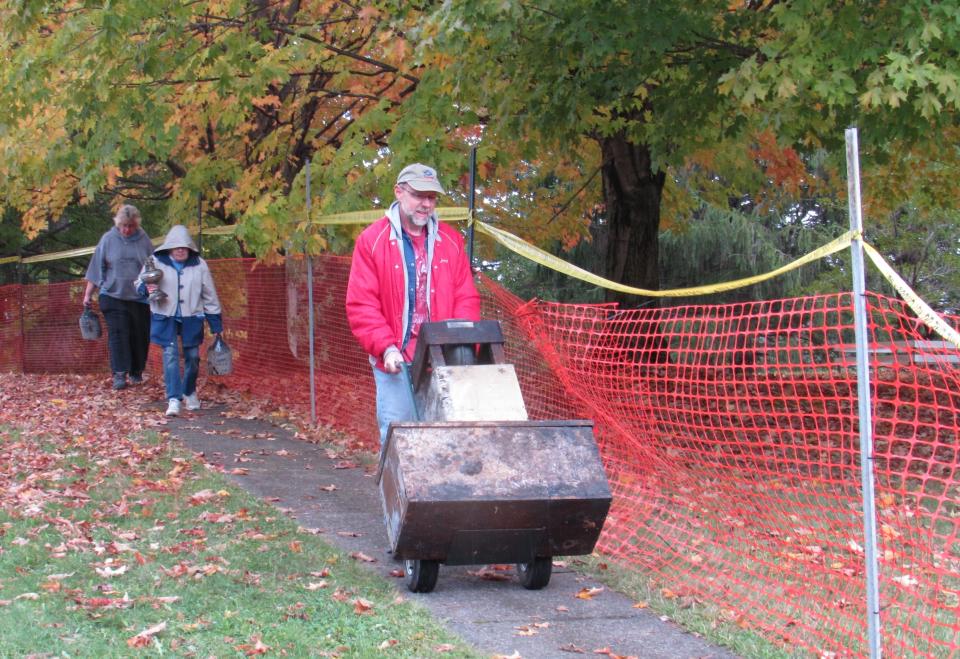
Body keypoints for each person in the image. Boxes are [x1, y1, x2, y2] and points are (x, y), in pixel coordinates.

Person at [345, 163, 481, 444]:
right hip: (397, 360)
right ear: (399, 192)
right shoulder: (372, 241)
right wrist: (385, 348)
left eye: (432, 197)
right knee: (400, 443)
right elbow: (362, 304)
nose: (426, 204)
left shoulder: (452, 242)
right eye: (419, 195)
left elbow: (465, 298)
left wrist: (461, 347)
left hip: (440, 362)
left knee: (447, 444)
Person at [136, 225, 223, 417]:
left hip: (191, 316)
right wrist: (145, 288)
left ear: (189, 248)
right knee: (170, 355)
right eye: (177, 247)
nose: (180, 250)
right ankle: (173, 398)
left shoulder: (199, 264)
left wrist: (215, 322)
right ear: (169, 248)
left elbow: (209, 293)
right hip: (165, 316)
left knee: (192, 356)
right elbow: (140, 283)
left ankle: (189, 391)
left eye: (184, 247)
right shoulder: (155, 261)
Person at [83, 204, 154, 390]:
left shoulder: (144, 240)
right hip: (112, 294)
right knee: (118, 333)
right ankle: (120, 374)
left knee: (139, 335)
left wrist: (154, 293)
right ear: (117, 223)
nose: (126, 229)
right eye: (123, 225)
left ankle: (136, 371)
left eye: (130, 226)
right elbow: (96, 268)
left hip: (138, 297)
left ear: (136, 224)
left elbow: (153, 270)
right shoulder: (108, 239)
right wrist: (88, 294)